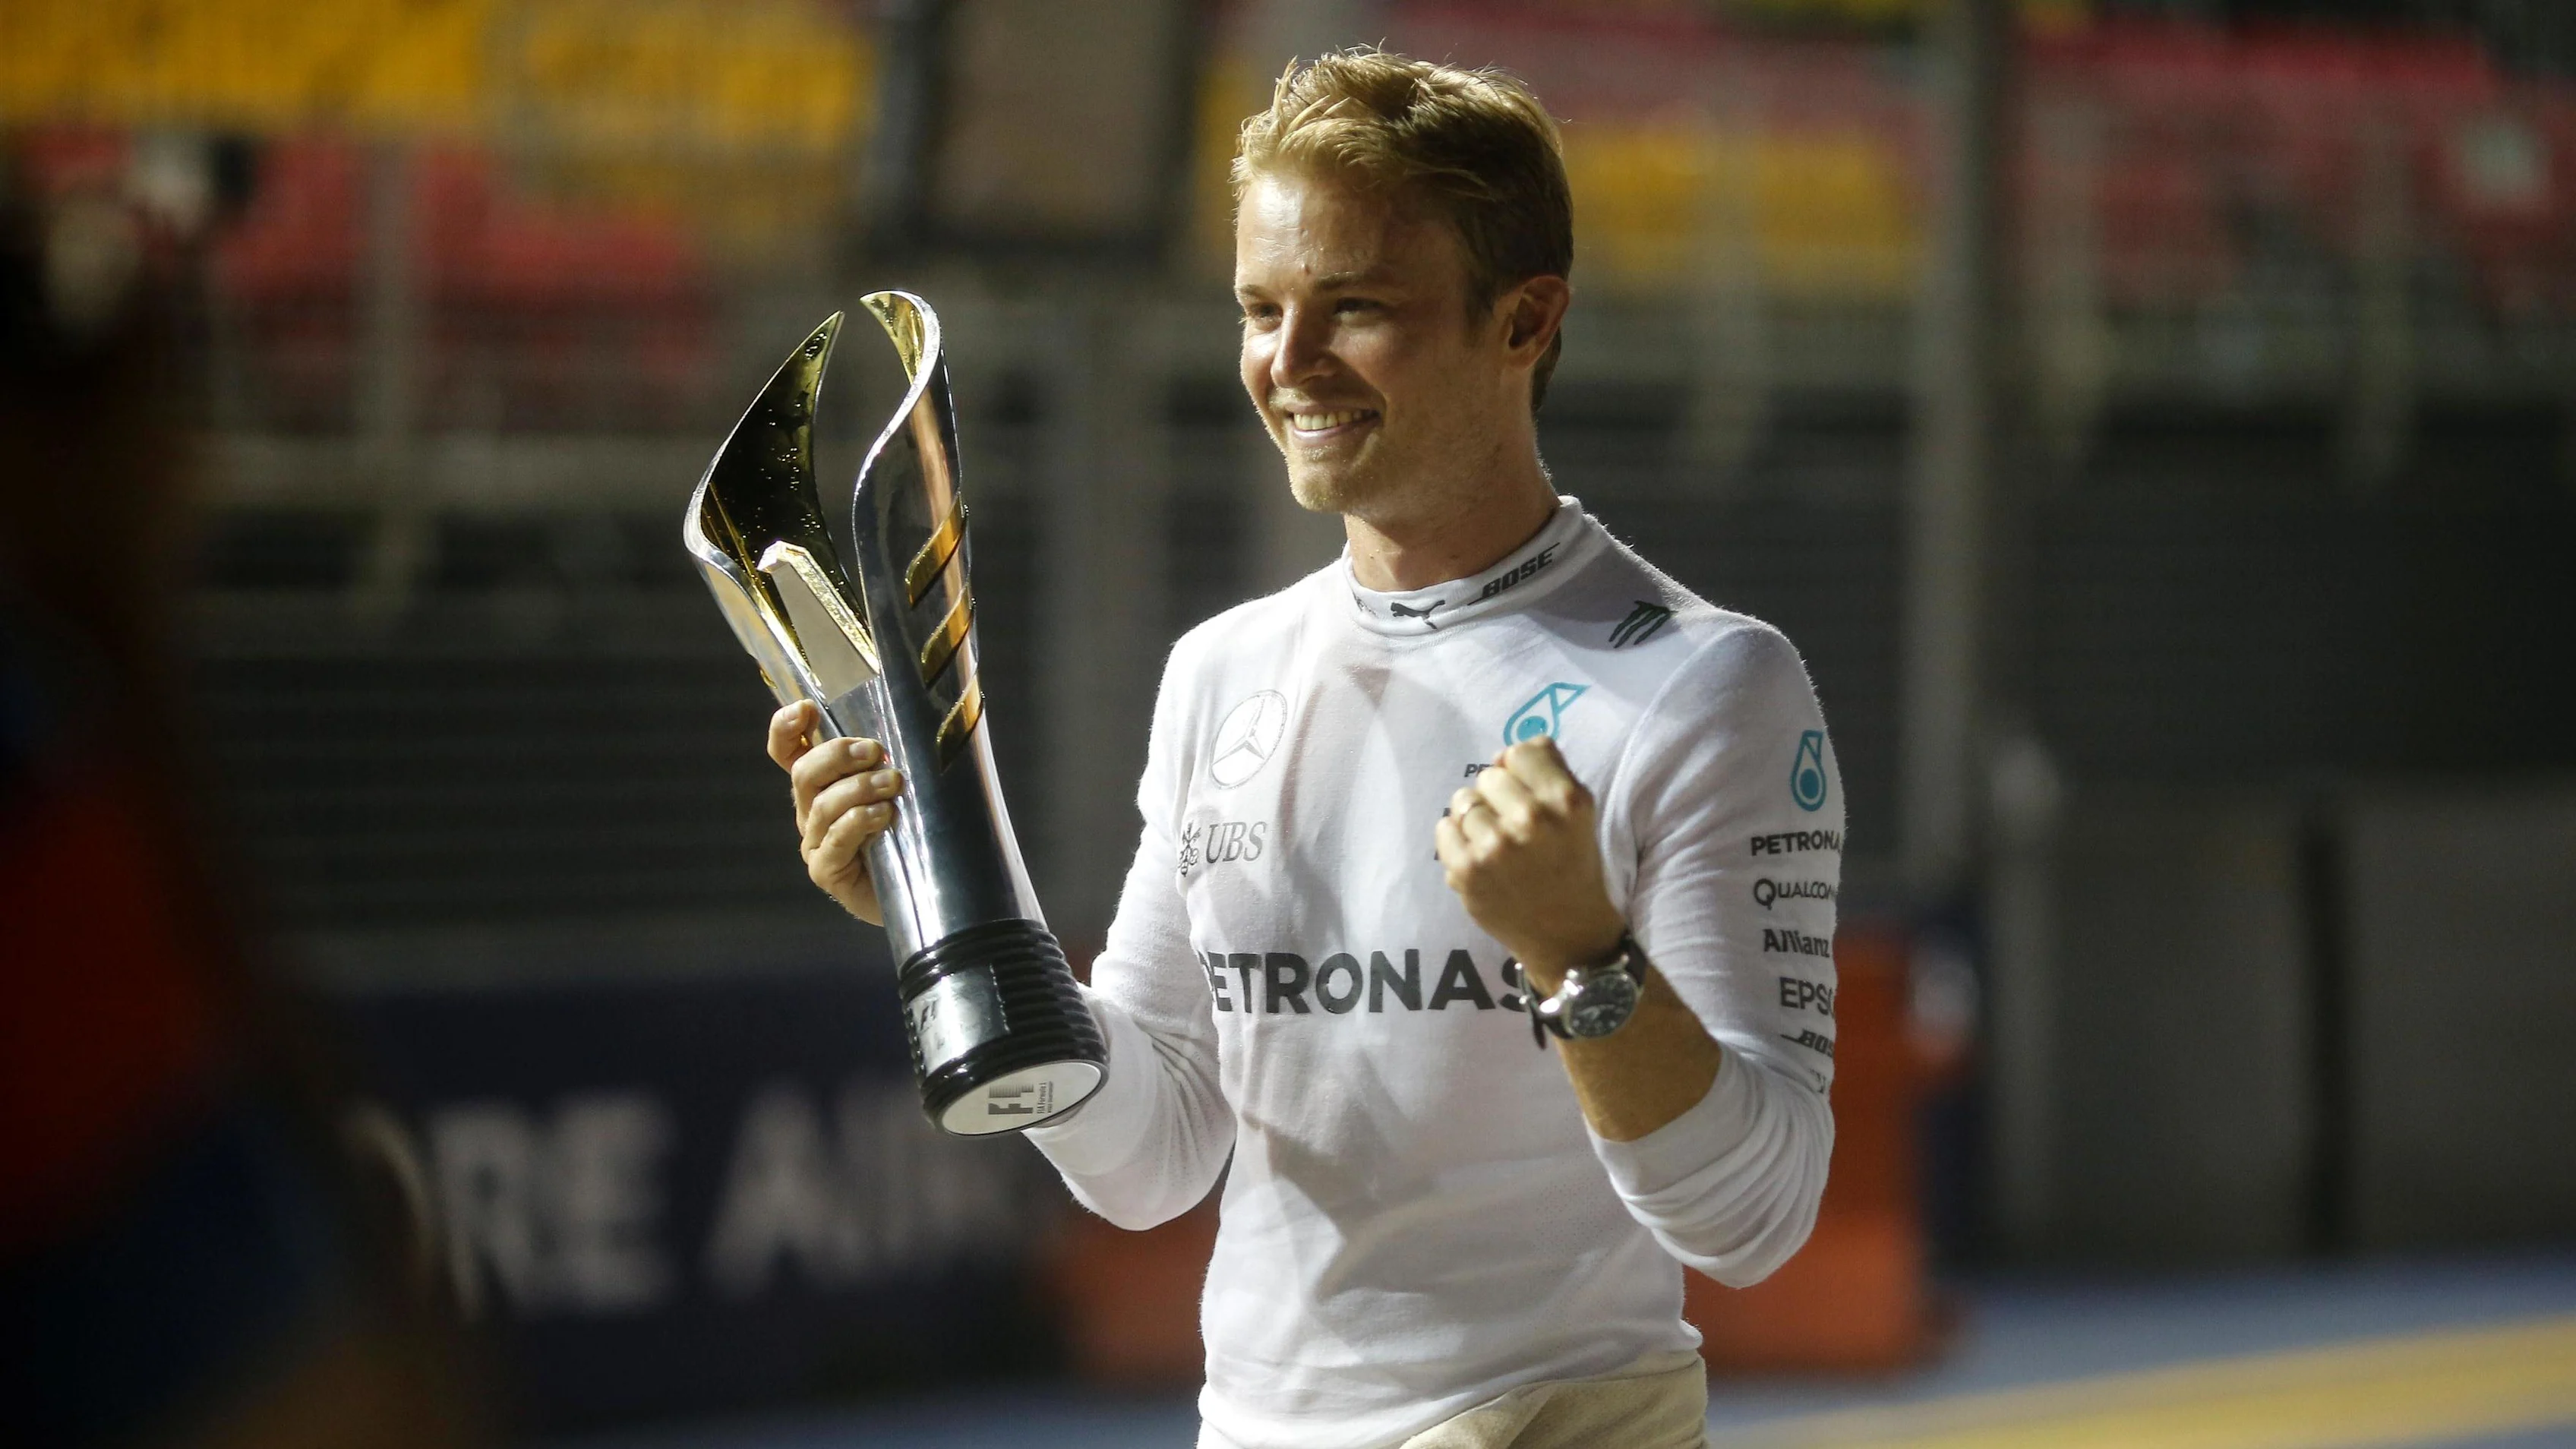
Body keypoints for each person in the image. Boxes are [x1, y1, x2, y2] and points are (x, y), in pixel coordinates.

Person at [769, 50, 1843, 1449]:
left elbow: (1755, 1220)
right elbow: (1153, 1157)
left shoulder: (1703, 684)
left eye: (1358, 309)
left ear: (1526, 321)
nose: (1289, 364)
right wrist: (934, 913)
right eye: (1261, 310)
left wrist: (1584, 960)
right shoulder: (1223, 671)